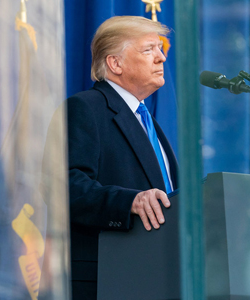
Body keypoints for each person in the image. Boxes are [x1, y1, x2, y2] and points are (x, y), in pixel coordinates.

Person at [67, 16, 179, 299]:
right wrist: (129, 201)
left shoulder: (147, 121)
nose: (161, 57)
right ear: (115, 64)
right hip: (105, 280)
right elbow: (64, 186)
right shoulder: (85, 108)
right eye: (149, 50)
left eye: (160, 48)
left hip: (155, 277)